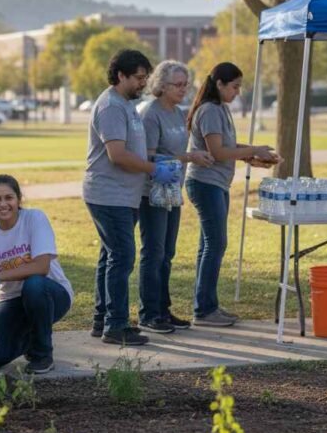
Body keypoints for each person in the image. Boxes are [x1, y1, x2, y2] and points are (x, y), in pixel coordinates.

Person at [84, 49, 181, 346]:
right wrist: (154, 169)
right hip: (109, 194)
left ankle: (103, 320)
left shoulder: (125, 104)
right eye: (139, 78)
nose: (143, 83)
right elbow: (117, 155)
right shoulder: (111, 106)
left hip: (123, 195)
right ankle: (116, 325)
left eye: (145, 77)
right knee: (122, 257)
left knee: (110, 257)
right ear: (121, 76)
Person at [185, 62, 278, 327]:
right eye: (234, 86)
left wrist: (254, 154)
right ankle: (204, 310)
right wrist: (254, 150)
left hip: (216, 184)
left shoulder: (220, 109)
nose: (237, 92)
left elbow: (228, 147)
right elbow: (218, 152)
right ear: (220, 84)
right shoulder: (210, 110)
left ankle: (206, 305)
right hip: (205, 183)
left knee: (209, 245)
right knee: (216, 244)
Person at [137, 61, 214, 334]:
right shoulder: (150, 113)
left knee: (167, 253)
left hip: (172, 188)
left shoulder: (179, 112)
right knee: (154, 252)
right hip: (151, 192)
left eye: (186, 84)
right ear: (161, 85)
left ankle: (163, 310)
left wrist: (193, 157)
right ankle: (148, 313)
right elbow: (146, 156)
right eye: (177, 85)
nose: (184, 89)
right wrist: (188, 157)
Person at [0, 175, 73, 375]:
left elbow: (41, 266)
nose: (3, 204)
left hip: (50, 293)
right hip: (11, 299)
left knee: (33, 285)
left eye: (9, 198)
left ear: (19, 199)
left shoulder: (34, 218)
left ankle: (42, 354)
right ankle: (32, 338)